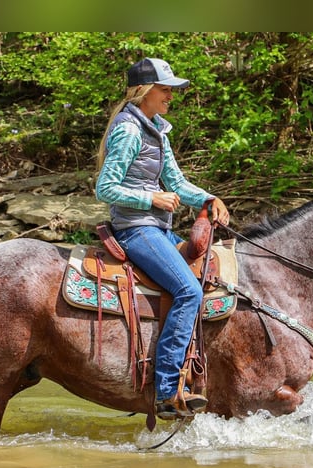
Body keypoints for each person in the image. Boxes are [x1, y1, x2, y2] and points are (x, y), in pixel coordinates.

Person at [95, 57, 230, 419]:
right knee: (189, 291)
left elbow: (177, 182)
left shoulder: (156, 129)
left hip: (159, 229)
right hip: (136, 229)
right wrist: (150, 198)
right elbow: (104, 188)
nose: (171, 95)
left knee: (209, 277)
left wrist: (207, 198)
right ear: (144, 91)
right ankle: (168, 390)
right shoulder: (129, 130)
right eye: (165, 88)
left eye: (171, 89)